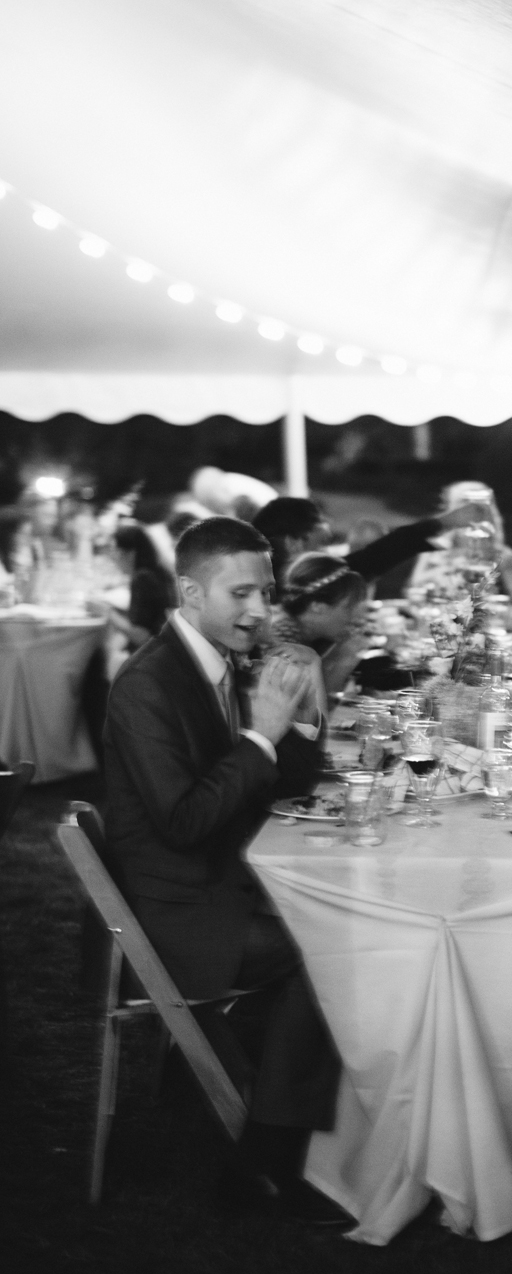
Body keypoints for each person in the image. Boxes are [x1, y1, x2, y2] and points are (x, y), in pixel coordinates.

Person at [103, 518, 349, 1224]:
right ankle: (262, 1165)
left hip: (223, 882)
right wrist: (260, 736)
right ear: (189, 591)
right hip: (177, 915)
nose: (260, 610)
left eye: (266, 592)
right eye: (241, 592)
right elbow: (183, 821)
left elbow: (276, 782)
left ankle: (263, 1056)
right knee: (336, 951)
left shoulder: (217, 658)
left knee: (348, 921)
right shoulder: (148, 685)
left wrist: (299, 717)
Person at [253, 493, 495, 599]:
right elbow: (372, 559)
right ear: (294, 543)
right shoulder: (288, 591)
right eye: (322, 545)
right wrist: (446, 521)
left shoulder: (271, 581)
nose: (327, 554)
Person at [268, 554, 370, 704]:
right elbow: (310, 717)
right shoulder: (283, 639)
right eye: (348, 608)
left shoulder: (298, 630)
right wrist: (344, 661)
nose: (355, 618)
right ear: (317, 606)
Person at [110, 522, 176, 644]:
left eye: (115, 551)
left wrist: (108, 613)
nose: (113, 558)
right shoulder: (159, 571)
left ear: (130, 553)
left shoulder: (142, 579)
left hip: (154, 653)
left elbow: (141, 636)